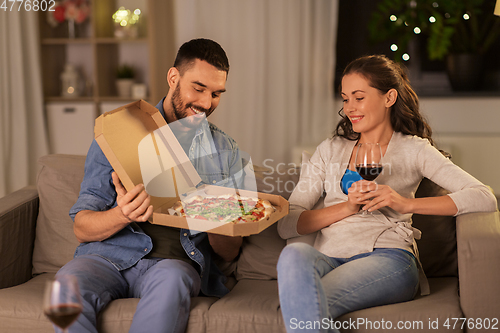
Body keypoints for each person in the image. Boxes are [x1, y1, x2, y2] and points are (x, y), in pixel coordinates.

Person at [276, 54, 497, 333]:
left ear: (389, 97)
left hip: (387, 257)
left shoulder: (414, 149)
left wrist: (405, 203)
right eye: (345, 99)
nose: (349, 108)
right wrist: (347, 208)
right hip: (329, 258)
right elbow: (286, 224)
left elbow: (483, 196)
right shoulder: (329, 150)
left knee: (302, 305)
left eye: (359, 97)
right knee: (293, 256)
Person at [57, 38, 247, 333]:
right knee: (66, 286)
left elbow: (229, 252)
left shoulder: (225, 151)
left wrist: (212, 212)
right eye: (198, 88)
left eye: (217, 94)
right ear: (174, 77)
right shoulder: (118, 132)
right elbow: (82, 227)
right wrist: (123, 214)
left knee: (173, 282)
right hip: (108, 257)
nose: (206, 104)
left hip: (173, 265)